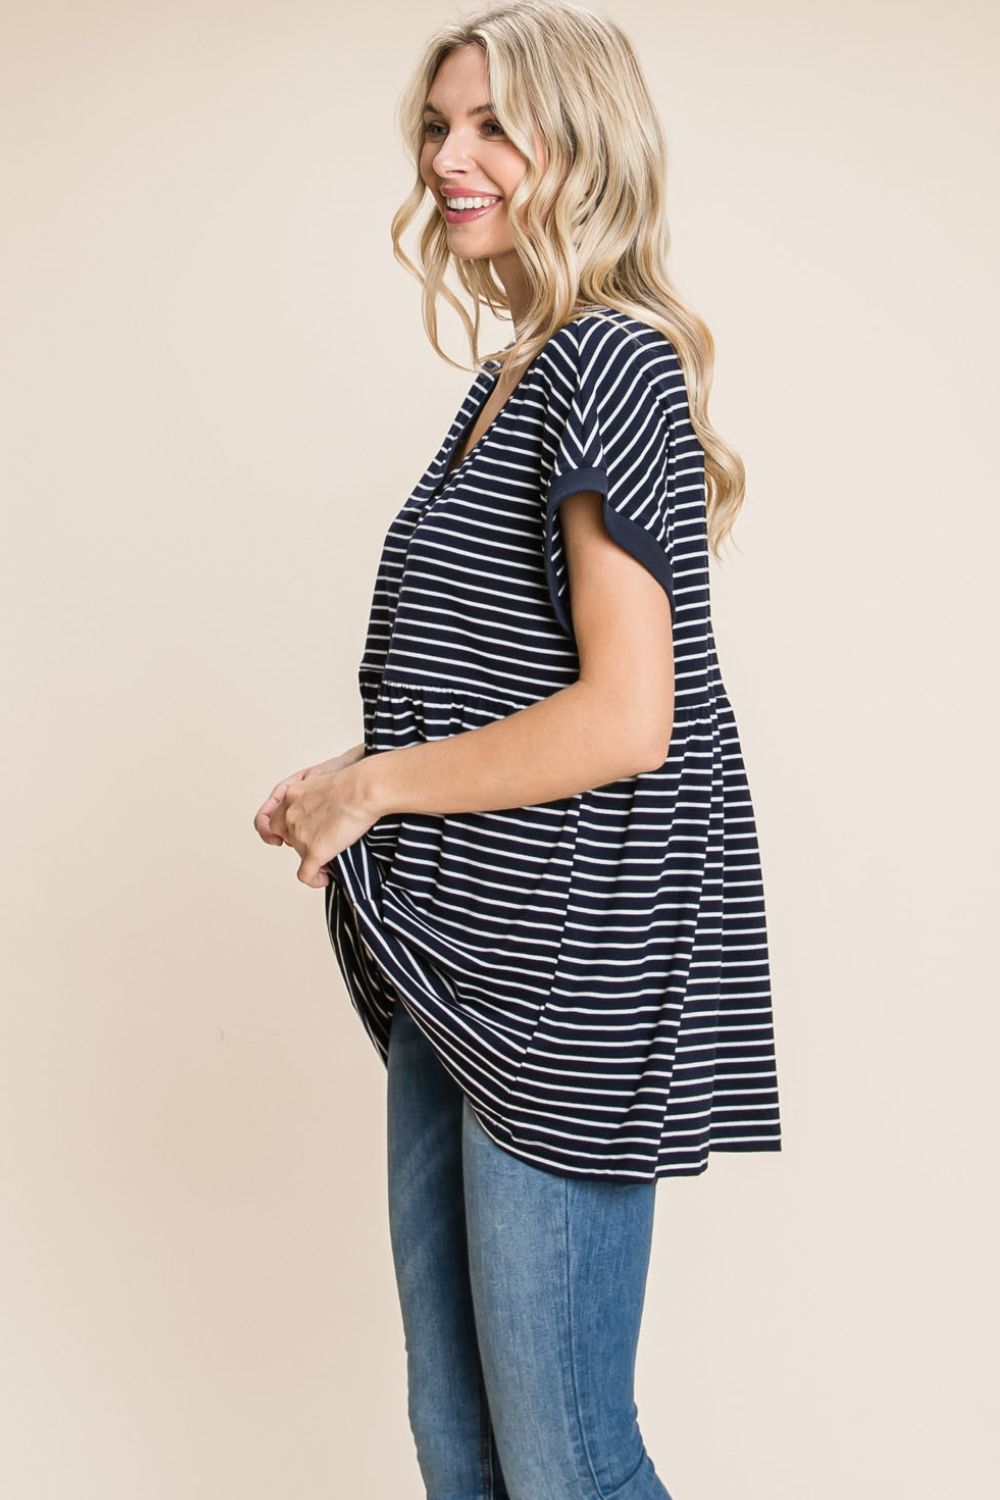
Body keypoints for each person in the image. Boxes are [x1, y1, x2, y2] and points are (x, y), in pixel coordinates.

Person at [255, 2, 783, 1495]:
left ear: (587, 145)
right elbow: (500, 689)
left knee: (565, 1461)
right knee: (464, 1449)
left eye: (494, 124)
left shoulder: (609, 360)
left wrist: (378, 785)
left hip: (565, 981)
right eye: (438, 126)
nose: (451, 158)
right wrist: (349, 784)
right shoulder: (510, 378)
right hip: (459, 965)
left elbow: (627, 717)